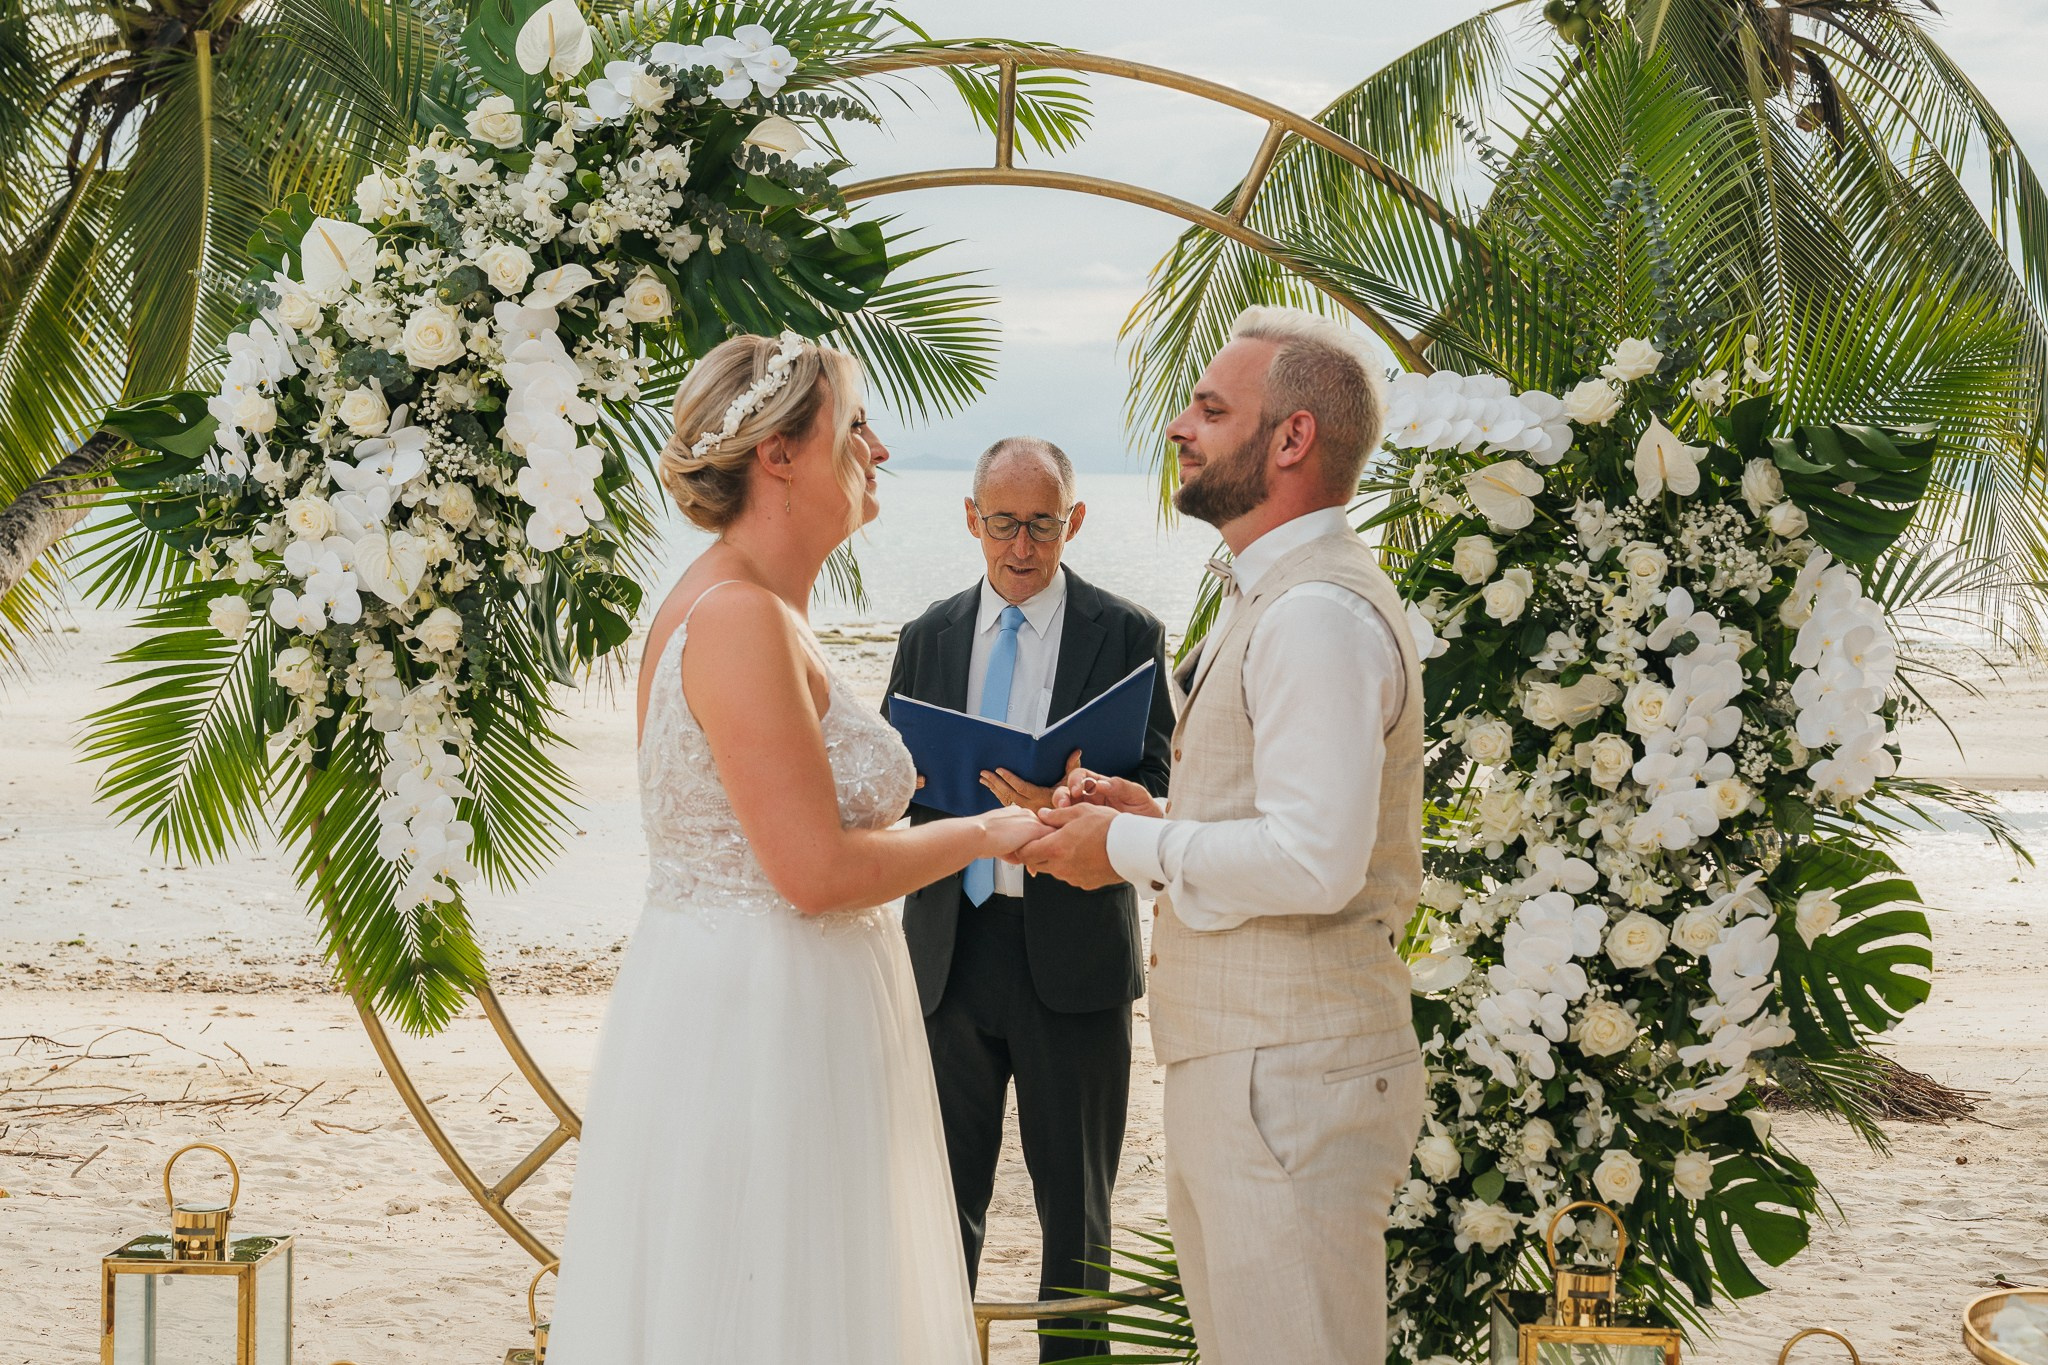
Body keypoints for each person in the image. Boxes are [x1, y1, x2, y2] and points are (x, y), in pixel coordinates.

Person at [547, 332, 1044, 1365]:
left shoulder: (755, 606)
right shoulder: (736, 616)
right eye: (854, 425)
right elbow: (813, 872)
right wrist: (992, 832)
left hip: (770, 994)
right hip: (760, 1018)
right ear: (777, 454)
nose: (879, 448)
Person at [1018, 306, 1428, 1365]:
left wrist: (1120, 852)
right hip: (1256, 1067)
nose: (1178, 427)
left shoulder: (1313, 613)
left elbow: (1314, 861)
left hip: (1287, 1074)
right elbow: (1287, 827)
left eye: (1209, 408)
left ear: (1292, 438)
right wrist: (1155, 820)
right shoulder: (1279, 596)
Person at [883, 438, 1173, 1360]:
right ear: (970, 518)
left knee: (1078, 1218)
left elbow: (1160, 783)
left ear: (1073, 521)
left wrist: (1079, 799)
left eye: (1042, 525)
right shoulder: (926, 634)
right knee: (939, 1208)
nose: (1021, 546)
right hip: (949, 951)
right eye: (1003, 523)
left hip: (1074, 953)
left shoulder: (1127, 633)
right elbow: (891, 781)